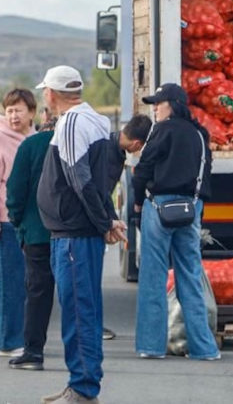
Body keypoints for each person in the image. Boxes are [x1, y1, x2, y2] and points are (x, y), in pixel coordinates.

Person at [35, 65, 125, 404]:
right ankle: (83, 382)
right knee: (86, 308)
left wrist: (104, 223)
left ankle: (83, 388)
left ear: (51, 94)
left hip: (73, 234)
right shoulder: (97, 120)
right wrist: (108, 218)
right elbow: (101, 181)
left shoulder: (71, 122)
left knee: (78, 311)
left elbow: (80, 179)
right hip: (80, 231)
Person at [131, 83, 220, 361]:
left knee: (153, 278)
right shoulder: (200, 134)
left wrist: (137, 201)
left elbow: (143, 168)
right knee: (190, 276)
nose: (154, 107)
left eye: (159, 103)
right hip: (191, 209)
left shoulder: (162, 131)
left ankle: (151, 346)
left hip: (159, 208)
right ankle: (204, 348)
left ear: (174, 104)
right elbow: (206, 172)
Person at [0, 88, 37, 357]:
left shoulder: (34, 139)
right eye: (9, 110)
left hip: (29, 224)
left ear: (31, 113)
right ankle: (7, 341)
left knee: (27, 285)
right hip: (5, 223)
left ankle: (22, 336)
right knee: (9, 286)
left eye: (19, 111)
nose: (13, 116)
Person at [93, 114, 152, 342]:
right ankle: (92, 326)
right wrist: (107, 224)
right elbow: (100, 193)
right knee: (89, 278)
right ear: (137, 144)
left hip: (93, 219)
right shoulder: (111, 156)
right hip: (90, 222)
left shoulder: (108, 144)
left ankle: (93, 325)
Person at [5, 115, 56, 371]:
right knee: (76, 294)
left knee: (38, 293)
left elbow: (15, 190)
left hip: (37, 232)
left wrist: (17, 221)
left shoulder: (30, 145)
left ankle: (34, 351)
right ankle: (82, 351)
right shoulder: (78, 143)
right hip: (73, 232)